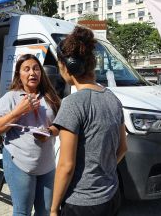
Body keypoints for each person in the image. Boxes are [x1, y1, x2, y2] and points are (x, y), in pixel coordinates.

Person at [50, 26, 128, 216]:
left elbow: (66, 166)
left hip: (81, 204)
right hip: (111, 194)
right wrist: (104, 169)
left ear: (67, 65)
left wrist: (53, 209)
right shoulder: (113, 99)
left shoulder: (73, 103)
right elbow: (123, 148)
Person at [0, 54, 61, 216]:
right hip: (19, 163)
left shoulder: (50, 97)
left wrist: (49, 132)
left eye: (36, 68)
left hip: (47, 164)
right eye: (26, 69)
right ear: (18, 75)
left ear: (41, 73)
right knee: (23, 212)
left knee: (46, 211)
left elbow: (59, 125)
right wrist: (18, 111)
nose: (32, 73)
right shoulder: (10, 98)